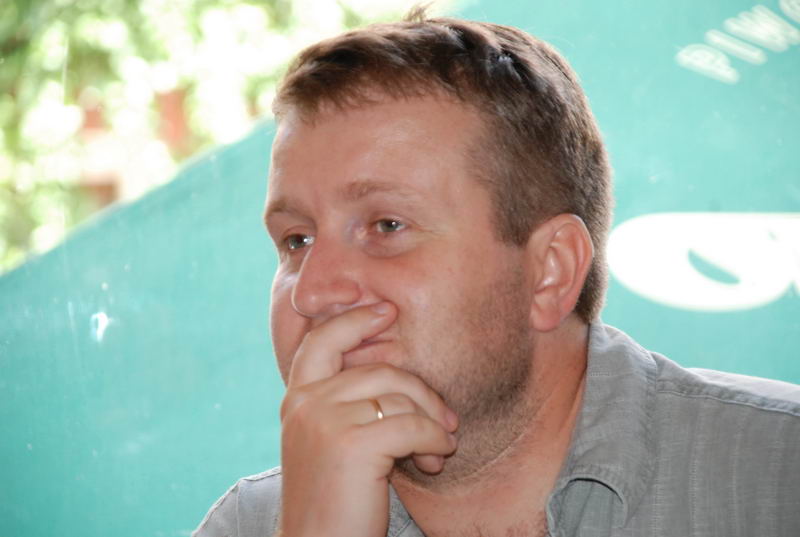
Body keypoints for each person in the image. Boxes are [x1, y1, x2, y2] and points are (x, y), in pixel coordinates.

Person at [193, 9, 800, 537]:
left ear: (550, 272)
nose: (312, 291)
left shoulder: (779, 473)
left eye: (387, 225)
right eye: (296, 240)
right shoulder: (252, 524)